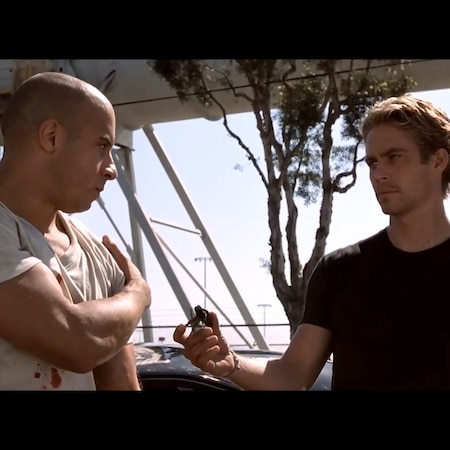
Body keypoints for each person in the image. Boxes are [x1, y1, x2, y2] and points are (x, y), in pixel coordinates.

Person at [174, 93, 450, 390]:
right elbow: (292, 376)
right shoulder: (340, 271)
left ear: (438, 160)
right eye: (372, 163)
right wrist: (231, 364)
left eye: (394, 157)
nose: (379, 174)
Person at [0, 71, 151, 390]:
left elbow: (121, 384)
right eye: (101, 145)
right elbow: (76, 340)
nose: (111, 169)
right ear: (51, 136)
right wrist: (137, 295)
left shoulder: (98, 253)